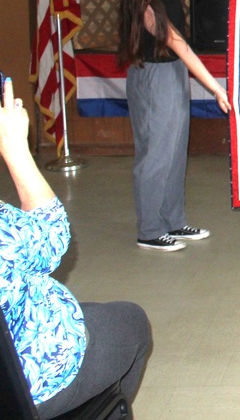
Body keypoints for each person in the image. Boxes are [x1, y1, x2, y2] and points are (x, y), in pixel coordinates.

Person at [0, 77, 151, 417]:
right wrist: (17, 153)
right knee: (133, 322)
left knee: (96, 313)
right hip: (32, 381)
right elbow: (51, 237)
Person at [116, 0, 236, 252]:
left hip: (172, 73)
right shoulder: (143, 2)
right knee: (155, 154)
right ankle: (150, 230)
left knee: (174, 151)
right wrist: (214, 87)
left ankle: (173, 220)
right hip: (153, 77)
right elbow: (179, 46)